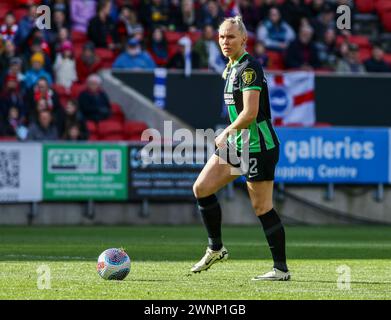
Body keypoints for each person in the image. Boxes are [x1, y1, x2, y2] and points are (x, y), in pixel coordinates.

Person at [191, 16, 290, 281]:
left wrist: (225, 131)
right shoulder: (231, 68)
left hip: (258, 146)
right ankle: (216, 248)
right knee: (201, 188)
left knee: (263, 208)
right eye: (222, 36)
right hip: (239, 145)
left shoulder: (249, 68)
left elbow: (250, 113)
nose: (225, 41)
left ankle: (280, 269)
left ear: (244, 39)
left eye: (231, 36)